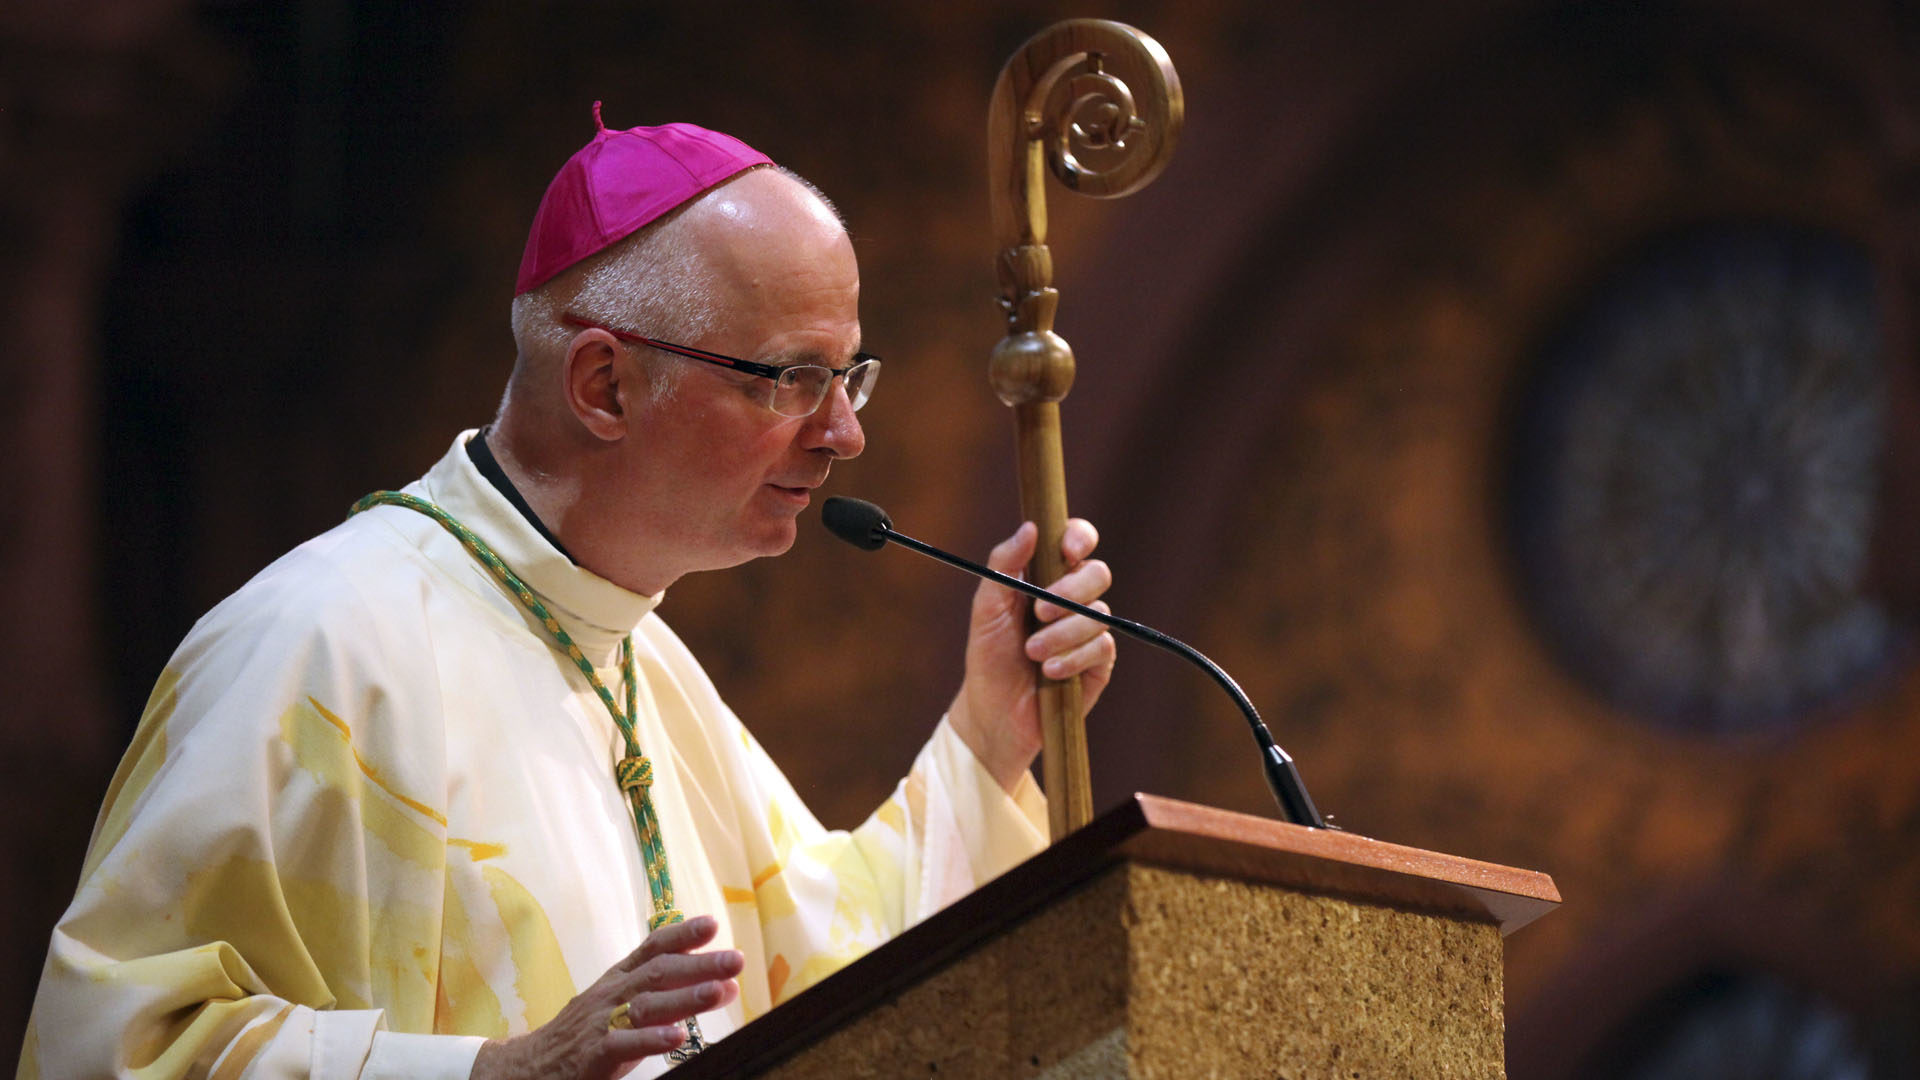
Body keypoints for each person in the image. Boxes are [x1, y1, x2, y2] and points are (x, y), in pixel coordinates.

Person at [17, 108, 1117, 1080]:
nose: (845, 433)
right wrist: (495, 1076)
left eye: (850, 376)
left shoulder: (640, 662)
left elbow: (825, 979)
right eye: (794, 379)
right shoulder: (319, 645)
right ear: (605, 385)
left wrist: (989, 733)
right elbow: (115, 1050)